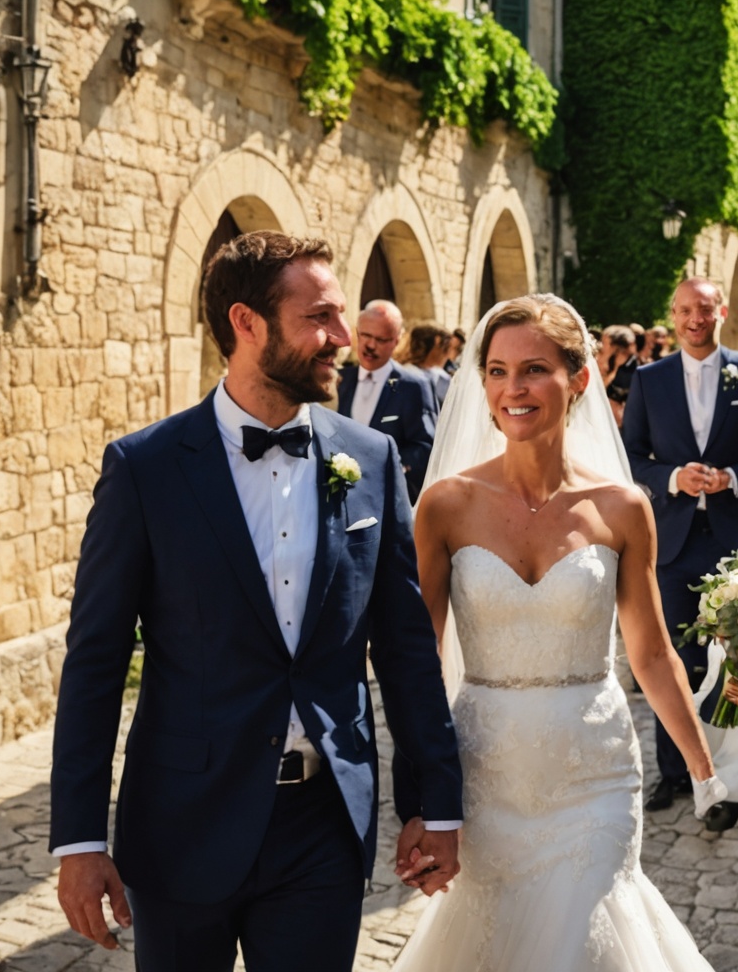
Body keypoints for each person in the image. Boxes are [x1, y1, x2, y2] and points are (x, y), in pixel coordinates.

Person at [50, 233, 463, 971]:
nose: (343, 338)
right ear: (247, 324)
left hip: (323, 829)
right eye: (321, 318)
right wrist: (80, 840)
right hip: (182, 824)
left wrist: (434, 802)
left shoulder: (369, 460)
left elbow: (404, 645)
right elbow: (95, 662)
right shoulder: (144, 469)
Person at [395, 294, 731, 971]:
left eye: (533, 370)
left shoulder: (623, 508)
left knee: (583, 941)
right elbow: (416, 667)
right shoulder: (445, 506)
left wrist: (703, 766)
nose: (512, 389)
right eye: (496, 370)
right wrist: (420, 801)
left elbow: (652, 650)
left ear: (579, 379)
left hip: (594, 772)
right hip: (487, 771)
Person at [621, 280, 738, 830]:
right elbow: (631, 455)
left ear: (722, 312)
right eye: (686, 310)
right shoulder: (649, 379)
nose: (696, 318)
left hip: (734, 539)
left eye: (705, 309)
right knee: (670, 659)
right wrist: (672, 476)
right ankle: (673, 775)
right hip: (670, 541)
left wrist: (732, 478)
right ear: (673, 316)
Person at [337, 300, 439, 501]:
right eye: (365, 335)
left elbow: (426, 447)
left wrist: (390, 467)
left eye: (381, 339)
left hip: (385, 500)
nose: (370, 345)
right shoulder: (340, 380)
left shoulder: (413, 386)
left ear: (397, 340)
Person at [399, 322, 453, 408]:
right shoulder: (406, 374)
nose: (448, 354)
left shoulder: (443, 377)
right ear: (436, 344)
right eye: (445, 347)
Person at [599, 324, 640, 425]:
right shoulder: (603, 361)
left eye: (605, 343)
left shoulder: (632, 367)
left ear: (616, 347)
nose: (601, 345)